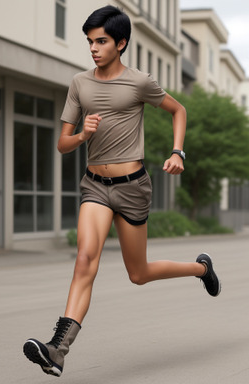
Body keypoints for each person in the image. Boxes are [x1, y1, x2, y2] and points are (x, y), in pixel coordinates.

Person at [23, 5, 221, 377]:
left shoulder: (139, 82)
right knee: (85, 260)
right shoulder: (80, 83)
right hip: (95, 186)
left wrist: (178, 151)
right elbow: (63, 144)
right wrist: (83, 134)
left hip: (131, 188)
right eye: (90, 42)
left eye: (101, 41)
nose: (94, 48)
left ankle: (201, 267)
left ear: (121, 43)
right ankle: (57, 349)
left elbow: (178, 110)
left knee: (139, 272)